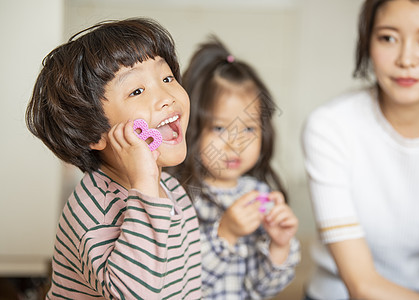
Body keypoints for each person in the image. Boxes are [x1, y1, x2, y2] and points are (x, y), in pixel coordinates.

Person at [25, 18, 201, 299]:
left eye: (167, 78)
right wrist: (144, 182)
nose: (167, 96)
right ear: (93, 132)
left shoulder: (174, 193)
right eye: (137, 91)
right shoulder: (96, 211)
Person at [301, 0, 419, 299]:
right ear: (367, 43)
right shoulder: (331, 126)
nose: (406, 59)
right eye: (388, 38)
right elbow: (362, 285)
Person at [168, 36, 300, 299]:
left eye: (249, 128)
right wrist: (225, 234)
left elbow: (264, 288)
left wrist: (279, 244)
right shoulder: (176, 195)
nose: (235, 144)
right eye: (219, 128)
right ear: (192, 128)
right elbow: (177, 283)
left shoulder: (259, 194)